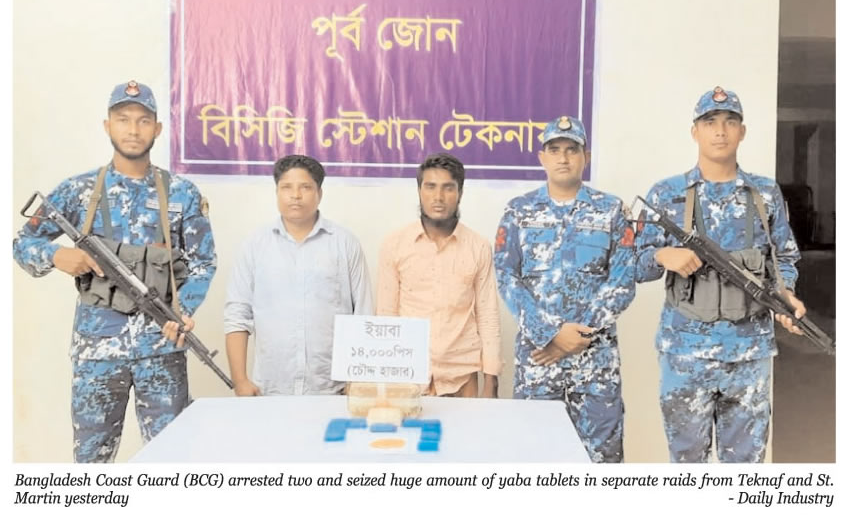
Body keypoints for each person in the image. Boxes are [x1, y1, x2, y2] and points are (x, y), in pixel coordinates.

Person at [13, 80, 217, 463]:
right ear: (107, 125)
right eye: (123, 119)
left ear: (158, 129)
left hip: (161, 347)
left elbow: (203, 262)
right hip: (97, 351)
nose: (133, 129)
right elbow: (23, 243)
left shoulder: (182, 193)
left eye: (143, 121)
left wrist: (183, 310)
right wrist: (57, 255)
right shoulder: (77, 191)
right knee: (92, 466)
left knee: (171, 462)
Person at [635, 86, 806, 463]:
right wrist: (663, 255)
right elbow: (634, 264)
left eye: (730, 122)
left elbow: (784, 257)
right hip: (685, 354)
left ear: (742, 132)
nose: (720, 130)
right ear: (694, 131)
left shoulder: (764, 193)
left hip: (749, 354)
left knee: (745, 469)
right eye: (710, 121)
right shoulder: (666, 194)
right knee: (687, 466)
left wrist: (786, 295)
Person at [493, 116, 635, 462]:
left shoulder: (611, 211)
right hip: (539, 362)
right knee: (535, 461)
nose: (563, 157)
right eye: (554, 150)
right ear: (542, 157)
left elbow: (623, 279)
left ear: (586, 156)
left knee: (600, 462)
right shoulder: (519, 212)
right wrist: (550, 334)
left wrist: (580, 334)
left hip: (595, 365)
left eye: (572, 150)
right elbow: (506, 275)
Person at [224, 154, 373, 396]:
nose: (295, 195)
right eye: (286, 187)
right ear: (276, 192)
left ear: (319, 193)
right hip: (270, 389)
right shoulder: (255, 245)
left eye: (305, 187)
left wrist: (358, 379)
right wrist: (240, 380)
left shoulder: (345, 244)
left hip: (333, 389)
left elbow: (363, 316)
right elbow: (237, 316)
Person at [376, 153, 502, 397]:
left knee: (469, 426)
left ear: (460, 193)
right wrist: (385, 379)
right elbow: (386, 315)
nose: (438, 197)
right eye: (430, 187)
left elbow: (488, 315)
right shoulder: (395, 244)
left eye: (448, 188)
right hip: (408, 374)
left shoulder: (478, 246)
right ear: (419, 191)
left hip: (462, 374)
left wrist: (491, 381)